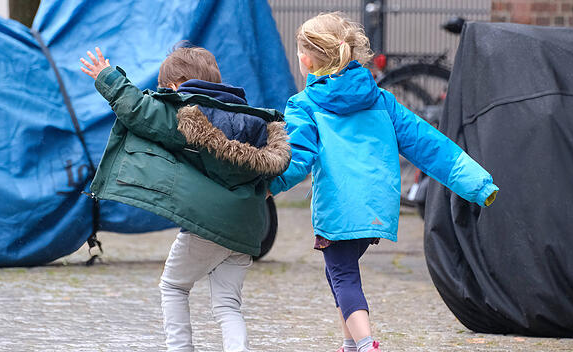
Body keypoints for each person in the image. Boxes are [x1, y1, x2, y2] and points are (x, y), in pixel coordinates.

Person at [268, 13, 499, 352]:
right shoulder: (382, 99)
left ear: (306, 60)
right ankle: (349, 344)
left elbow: (296, 160)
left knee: (343, 274)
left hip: (341, 207)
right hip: (379, 206)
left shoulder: (304, 106)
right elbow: (429, 145)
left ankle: (365, 344)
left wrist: (262, 186)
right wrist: (477, 183)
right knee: (338, 273)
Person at [80, 44, 290, 352]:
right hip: (248, 228)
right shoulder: (254, 122)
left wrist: (107, 76)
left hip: (207, 226)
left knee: (174, 286)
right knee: (228, 305)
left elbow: (139, 110)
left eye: (166, 90)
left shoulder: (189, 114)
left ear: (177, 85)